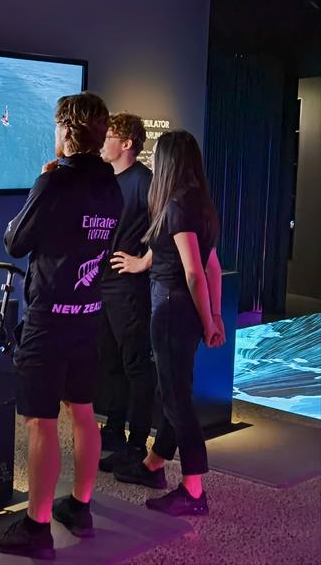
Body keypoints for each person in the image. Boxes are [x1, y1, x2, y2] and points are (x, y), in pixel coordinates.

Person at [0, 92, 123, 559]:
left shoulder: (54, 183)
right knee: (83, 410)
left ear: (67, 130)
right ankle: (80, 507)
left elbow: (15, 241)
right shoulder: (111, 185)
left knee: (40, 421)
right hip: (88, 316)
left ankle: (36, 525)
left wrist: (40, 185)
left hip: (48, 321)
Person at [112, 130, 225, 516]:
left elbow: (195, 272)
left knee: (177, 403)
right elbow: (212, 266)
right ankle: (155, 464)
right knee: (178, 392)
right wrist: (214, 318)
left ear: (169, 161)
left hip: (172, 312)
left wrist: (210, 320)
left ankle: (193, 491)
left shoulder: (176, 205)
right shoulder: (199, 204)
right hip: (186, 313)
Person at [95, 113, 155, 472]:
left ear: (127, 143)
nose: (102, 142)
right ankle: (114, 430)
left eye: (109, 136)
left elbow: (170, 226)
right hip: (100, 285)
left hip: (129, 290)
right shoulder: (104, 179)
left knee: (135, 366)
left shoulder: (145, 182)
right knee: (111, 363)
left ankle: (136, 445)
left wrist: (143, 262)